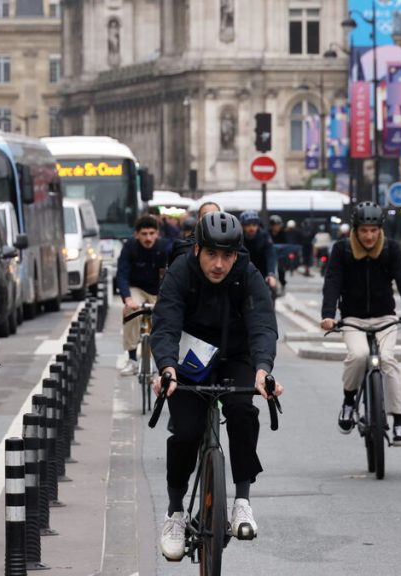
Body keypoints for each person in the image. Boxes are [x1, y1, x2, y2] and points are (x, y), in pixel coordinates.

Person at [150, 211, 282, 560]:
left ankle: (242, 501)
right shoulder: (181, 271)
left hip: (235, 355)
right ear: (198, 250)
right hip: (189, 359)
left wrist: (263, 370)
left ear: (237, 255)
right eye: (212, 254)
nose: (220, 264)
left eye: (227, 256)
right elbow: (164, 324)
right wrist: (166, 368)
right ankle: (175, 512)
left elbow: (262, 324)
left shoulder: (247, 274)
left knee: (242, 410)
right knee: (185, 433)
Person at [321, 202, 401, 446]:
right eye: (364, 230)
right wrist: (328, 315)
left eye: (374, 230)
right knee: (358, 355)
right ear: (355, 230)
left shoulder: (391, 249)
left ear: (380, 230)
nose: (369, 235)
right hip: (353, 319)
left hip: (385, 318)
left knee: (388, 360)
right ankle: (348, 402)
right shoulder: (342, 250)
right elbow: (332, 282)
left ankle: (398, 421)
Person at [117, 215, 169, 376]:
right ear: (136, 234)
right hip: (136, 288)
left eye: (152, 233)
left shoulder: (164, 247)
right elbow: (122, 274)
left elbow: (169, 274)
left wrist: (165, 298)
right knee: (132, 313)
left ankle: (164, 361)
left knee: (166, 318)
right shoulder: (129, 247)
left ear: (157, 233)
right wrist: (128, 299)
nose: (148, 238)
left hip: (157, 290)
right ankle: (132, 359)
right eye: (144, 234)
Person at [239, 210, 278, 291]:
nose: (251, 228)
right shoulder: (238, 237)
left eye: (254, 224)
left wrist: (271, 274)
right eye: (248, 225)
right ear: (243, 226)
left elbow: (270, 255)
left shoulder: (264, 236)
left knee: (271, 289)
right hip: (243, 271)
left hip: (262, 270)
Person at [268, 215, 290, 288]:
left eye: (278, 225)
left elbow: (286, 245)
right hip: (270, 255)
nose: (276, 227)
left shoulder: (283, 234)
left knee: (281, 268)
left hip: (280, 255)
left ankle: (282, 282)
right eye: (275, 225)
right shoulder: (267, 234)